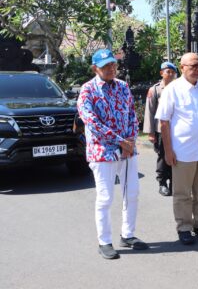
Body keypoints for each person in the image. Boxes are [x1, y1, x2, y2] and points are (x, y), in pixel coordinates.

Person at [77, 48, 148, 259]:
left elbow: (132, 116)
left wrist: (131, 141)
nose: (111, 68)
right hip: (102, 151)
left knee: (132, 193)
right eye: (106, 65)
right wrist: (120, 141)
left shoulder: (123, 87)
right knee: (106, 197)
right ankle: (104, 241)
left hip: (127, 150)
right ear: (95, 68)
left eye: (113, 65)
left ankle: (127, 234)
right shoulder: (87, 90)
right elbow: (91, 122)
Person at [154, 52, 198, 245]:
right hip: (183, 151)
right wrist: (168, 151)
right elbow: (164, 123)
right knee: (182, 193)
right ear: (182, 68)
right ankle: (184, 227)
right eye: (192, 66)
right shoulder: (172, 90)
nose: (197, 69)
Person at [143, 61, 177, 196]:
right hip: (160, 130)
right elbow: (149, 111)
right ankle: (162, 183)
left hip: (176, 129)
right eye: (167, 71)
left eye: (173, 72)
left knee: (177, 157)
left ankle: (174, 183)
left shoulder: (178, 88)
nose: (170, 74)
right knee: (163, 157)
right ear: (161, 73)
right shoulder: (155, 90)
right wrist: (151, 133)